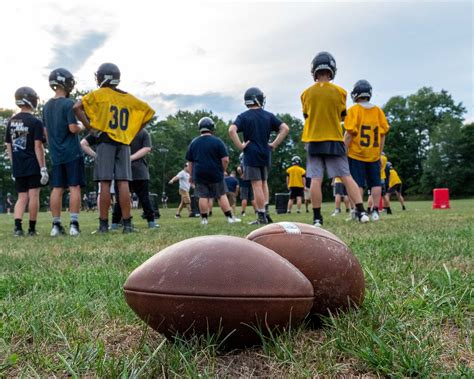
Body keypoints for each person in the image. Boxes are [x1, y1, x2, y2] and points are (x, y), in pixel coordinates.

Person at [73, 62, 155, 233]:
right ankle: (127, 224)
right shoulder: (128, 98)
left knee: (104, 183)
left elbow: (76, 107)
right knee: (123, 183)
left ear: (101, 77)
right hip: (123, 143)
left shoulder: (99, 94)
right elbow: (148, 112)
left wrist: (89, 128)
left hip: (105, 141)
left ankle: (103, 225)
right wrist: (132, 131)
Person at [300, 51, 369, 227]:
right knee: (346, 176)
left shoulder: (305, 94)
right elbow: (341, 117)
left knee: (316, 179)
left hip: (313, 139)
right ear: (332, 69)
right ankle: (361, 212)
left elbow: (307, 116)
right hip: (334, 139)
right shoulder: (341, 92)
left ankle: (317, 218)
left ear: (314, 70)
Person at [229, 87, 289, 224]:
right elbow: (285, 128)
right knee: (264, 183)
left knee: (256, 185)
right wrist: (274, 144)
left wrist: (240, 146)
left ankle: (261, 216)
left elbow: (232, 130)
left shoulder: (243, 116)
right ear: (259, 99)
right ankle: (266, 211)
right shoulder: (268, 115)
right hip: (265, 153)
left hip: (251, 154)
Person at [43, 68, 85, 236]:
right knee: (74, 187)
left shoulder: (46, 106)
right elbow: (73, 128)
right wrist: (83, 126)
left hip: (55, 153)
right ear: (66, 83)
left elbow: (45, 133)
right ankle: (74, 225)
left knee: (57, 188)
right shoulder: (69, 103)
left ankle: (55, 225)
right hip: (72, 152)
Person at [343, 80, 390, 222]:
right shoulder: (378, 111)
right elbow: (382, 135)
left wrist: (343, 151)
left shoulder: (353, 110)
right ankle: (375, 211)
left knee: (357, 184)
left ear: (355, 94)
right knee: (375, 184)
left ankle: (358, 211)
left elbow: (349, 133)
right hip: (374, 153)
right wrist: (379, 152)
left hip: (357, 153)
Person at [5, 87, 48, 236]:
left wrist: (13, 164)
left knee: (21, 196)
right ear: (31, 99)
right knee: (33, 195)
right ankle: (31, 229)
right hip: (32, 164)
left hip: (18, 165)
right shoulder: (35, 122)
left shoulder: (11, 121)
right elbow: (38, 146)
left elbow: (8, 145)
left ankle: (17, 228)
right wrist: (43, 167)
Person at [186, 117, 241, 225]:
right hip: (215, 173)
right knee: (221, 195)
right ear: (212, 128)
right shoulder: (217, 141)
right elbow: (225, 160)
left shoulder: (194, 142)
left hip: (200, 173)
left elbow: (190, 162)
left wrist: (191, 175)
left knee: (203, 196)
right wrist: (222, 170)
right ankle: (230, 218)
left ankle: (204, 220)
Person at [111, 129, 159, 229]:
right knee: (144, 198)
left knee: (120, 198)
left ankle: (115, 223)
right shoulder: (143, 132)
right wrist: (131, 157)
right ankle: (151, 222)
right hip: (139, 169)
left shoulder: (119, 130)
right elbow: (147, 148)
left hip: (122, 169)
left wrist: (126, 158)